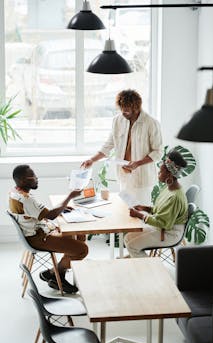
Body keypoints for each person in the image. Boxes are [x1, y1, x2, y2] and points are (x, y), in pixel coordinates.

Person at [9, 164, 88, 294]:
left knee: (79, 234)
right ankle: (54, 273)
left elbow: (42, 212)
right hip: (37, 238)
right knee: (82, 249)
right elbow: (50, 215)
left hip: (39, 231)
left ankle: (56, 275)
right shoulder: (25, 199)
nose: (36, 178)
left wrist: (62, 208)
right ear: (23, 180)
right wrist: (69, 197)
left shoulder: (15, 192)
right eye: (33, 176)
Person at [81, 89, 162, 205]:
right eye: (122, 110)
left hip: (142, 179)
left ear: (136, 108)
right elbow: (108, 145)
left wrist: (137, 163)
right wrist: (92, 160)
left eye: (127, 111)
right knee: (125, 212)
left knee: (141, 214)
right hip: (124, 177)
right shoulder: (118, 120)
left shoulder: (151, 123)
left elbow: (158, 152)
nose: (124, 114)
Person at [124, 150, 188, 258]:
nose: (158, 174)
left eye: (160, 171)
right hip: (163, 228)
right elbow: (162, 210)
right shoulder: (169, 188)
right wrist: (145, 208)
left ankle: (151, 270)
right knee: (128, 237)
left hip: (169, 234)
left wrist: (139, 215)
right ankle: (136, 260)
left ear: (170, 175)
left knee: (132, 245)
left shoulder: (175, 197)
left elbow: (164, 223)